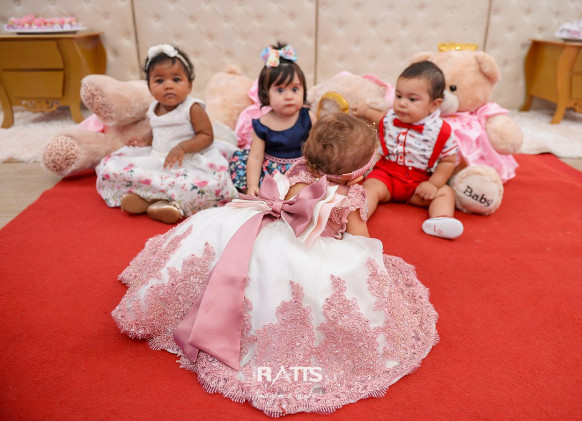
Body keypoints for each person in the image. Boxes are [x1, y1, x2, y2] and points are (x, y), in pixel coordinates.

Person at [112, 112, 439, 417]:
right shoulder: (350, 197)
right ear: (356, 172)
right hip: (303, 250)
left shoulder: (299, 171)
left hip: (265, 229)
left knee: (235, 256)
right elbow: (361, 241)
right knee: (337, 276)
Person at [95, 44, 238, 224]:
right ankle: (150, 200)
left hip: (187, 159)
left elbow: (206, 136)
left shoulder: (192, 108)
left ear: (189, 85)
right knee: (114, 167)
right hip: (158, 158)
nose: (168, 86)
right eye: (159, 81)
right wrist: (146, 140)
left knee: (193, 185)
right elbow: (157, 129)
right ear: (149, 87)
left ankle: (166, 203)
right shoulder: (154, 107)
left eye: (176, 79)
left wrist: (182, 147)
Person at [353, 60, 464, 239]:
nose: (402, 103)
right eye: (398, 96)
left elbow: (448, 160)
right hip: (387, 175)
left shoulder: (441, 131)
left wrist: (433, 184)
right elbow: (380, 118)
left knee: (445, 192)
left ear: (434, 105)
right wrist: (365, 111)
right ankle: (358, 216)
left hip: (419, 184)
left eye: (412, 99)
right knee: (370, 186)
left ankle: (441, 219)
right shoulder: (392, 118)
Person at [229, 42, 315, 196]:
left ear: (304, 90)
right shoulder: (263, 123)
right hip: (270, 172)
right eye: (280, 90)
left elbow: (320, 146)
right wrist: (252, 185)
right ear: (266, 94)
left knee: (304, 189)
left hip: (300, 169)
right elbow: (256, 157)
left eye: (295, 89)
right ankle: (256, 193)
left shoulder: (307, 116)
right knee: (240, 161)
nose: (289, 96)